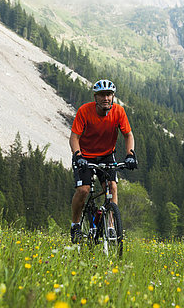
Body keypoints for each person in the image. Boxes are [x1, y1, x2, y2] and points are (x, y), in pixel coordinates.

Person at [69, 79, 137, 243]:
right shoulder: (85, 111)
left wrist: (130, 154)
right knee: (84, 190)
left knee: (112, 187)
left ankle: (111, 227)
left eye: (109, 94)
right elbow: (74, 137)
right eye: (102, 95)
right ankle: (75, 225)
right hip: (84, 155)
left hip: (107, 155)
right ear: (95, 97)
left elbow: (128, 135)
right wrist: (77, 155)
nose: (105, 98)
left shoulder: (119, 111)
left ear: (113, 96)